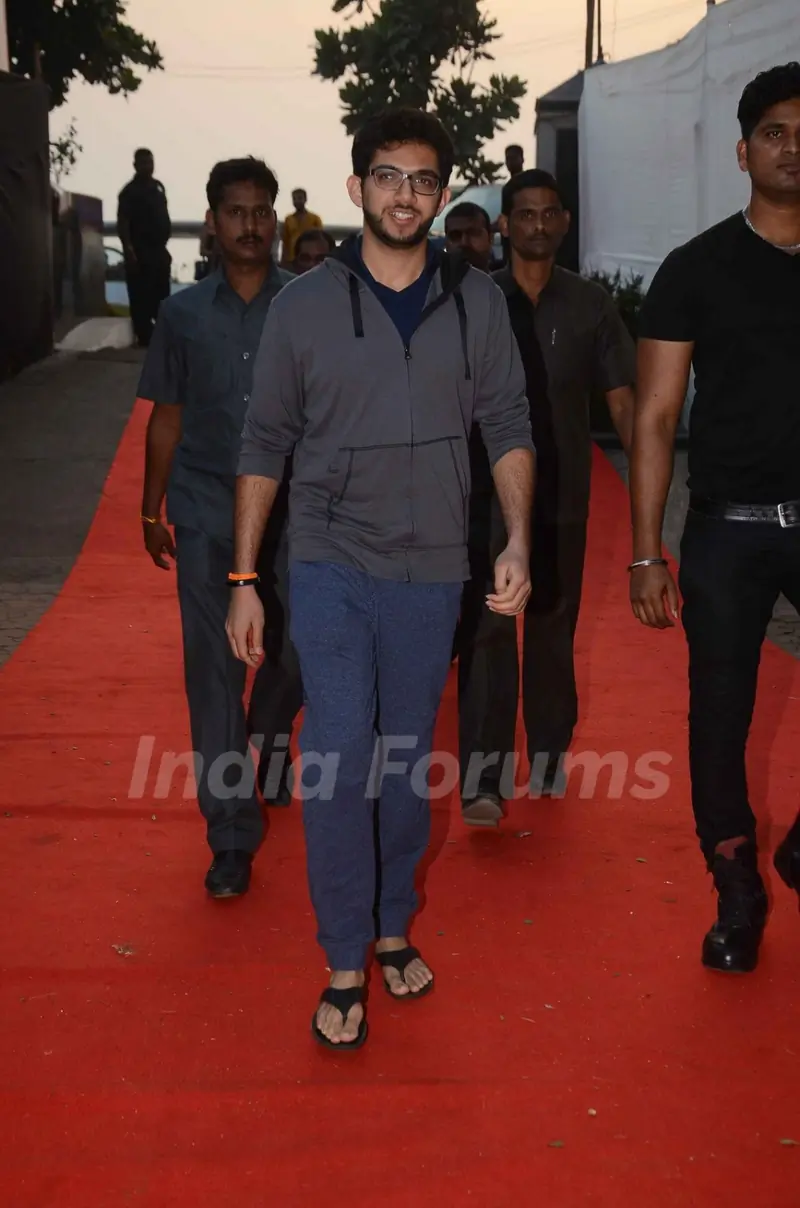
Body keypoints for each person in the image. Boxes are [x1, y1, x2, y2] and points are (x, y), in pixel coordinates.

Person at [227, 107, 536, 1049]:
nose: (407, 194)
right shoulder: (303, 305)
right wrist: (245, 575)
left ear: (443, 195)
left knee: (404, 761)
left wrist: (517, 539)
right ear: (357, 186)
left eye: (425, 180)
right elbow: (265, 442)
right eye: (389, 176)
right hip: (326, 560)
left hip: (435, 565)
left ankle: (394, 923)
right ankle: (344, 957)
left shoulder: (476, 300)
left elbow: (512, 424)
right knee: (337, 761)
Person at [630, 62, 800, 974]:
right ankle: (736, 894)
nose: (792, 149)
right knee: (720, 721)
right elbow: (654, 417)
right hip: (726, 532)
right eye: (775, 132)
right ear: (743, 151)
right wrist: (643, 554)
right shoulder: (694, 269)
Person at [138, 156, 302, 900]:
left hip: (297, 518)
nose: (251, 225)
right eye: (236, 212)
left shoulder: (307, 306)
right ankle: (230, 831)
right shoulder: (180, 315)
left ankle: (266, 741)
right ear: (211, 222)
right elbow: (166, 417)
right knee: (213, 675)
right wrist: (151, 506)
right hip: (205, 513)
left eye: (261, 211)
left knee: (295, 657)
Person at [457, 169, 636, 825]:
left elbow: (625, 402)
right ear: (504, 224)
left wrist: (649, 490)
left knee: (554, 629)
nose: (536, 224)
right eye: (523, 214)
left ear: (563, 222)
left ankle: (551, 752)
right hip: (483, 499)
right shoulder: (474, 300)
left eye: (547, 214)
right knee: (489, 630)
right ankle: (484, 780)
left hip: (563, 499)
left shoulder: (590, 307)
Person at [118, 149, 172, 347]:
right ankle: (144, 335)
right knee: (141, 295)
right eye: (143, 163)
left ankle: (162, 333)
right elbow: (123, 223)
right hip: (140, 251)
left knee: (161, 293)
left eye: (150, 162)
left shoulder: (158, 188)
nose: (147, 167)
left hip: (159, 250)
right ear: (135, 166)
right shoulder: (129, 192)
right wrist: (129, 250)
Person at [444, 201, 493, 271]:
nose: (464, 243)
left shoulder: (503, 281)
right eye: (455, 235)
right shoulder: (433, 280)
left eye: (473, 233)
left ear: (490, 239)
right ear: (446, 243)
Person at [280, 189, 323, 266]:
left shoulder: (314, 219)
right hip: (292, 259)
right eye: (294, 199)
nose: (297, 201)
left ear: (305, 199)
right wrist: (284, 261)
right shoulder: (288, 219)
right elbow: (285, 242)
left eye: (300, 198)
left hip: (309, 259)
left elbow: (320, 240)